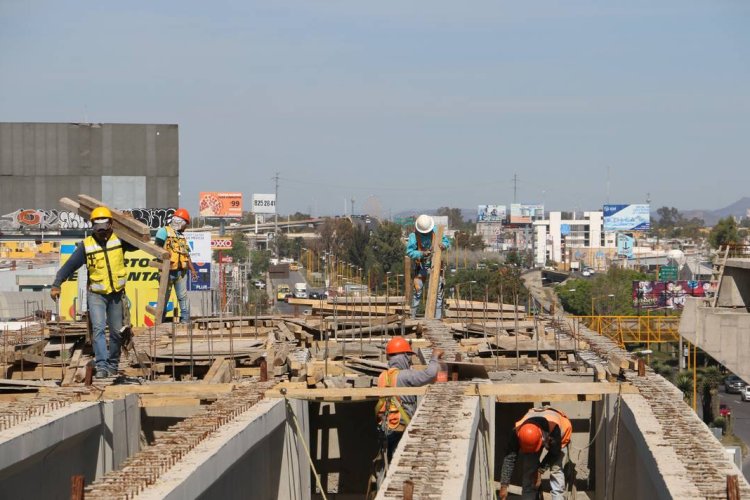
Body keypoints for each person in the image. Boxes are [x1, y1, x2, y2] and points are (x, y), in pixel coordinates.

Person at [50, 206, 137, 378]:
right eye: (99, 230)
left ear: (111, 225)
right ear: (93, 227)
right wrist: (57, 283)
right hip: (96, 294)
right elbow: (70, 265)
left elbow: (139, 242)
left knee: (116, 331)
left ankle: (113, 363)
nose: (102, 233)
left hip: (116, 294)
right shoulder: (87, 246)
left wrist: (130, 223)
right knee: (97, 329)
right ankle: (102, 366)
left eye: (104, 229)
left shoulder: (120, 240)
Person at [375, 336, 445, 461]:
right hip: (399, 428)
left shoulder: (382, 376)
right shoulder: (405, 376)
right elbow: (430, 374)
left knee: (386, 462)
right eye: (409, 357)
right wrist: (434, 357)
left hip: (385, 427)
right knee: (399, 461)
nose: (410, 361)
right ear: (403, 356)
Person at [499, 406, 573, 500]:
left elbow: (554, 453)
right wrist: (504, 485)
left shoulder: (554, 428)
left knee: (556, 469)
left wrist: (540, 471)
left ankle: (558, 497)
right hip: (534, 435)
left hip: (560, 437)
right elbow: (509, 458)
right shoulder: (517, 433)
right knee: (529, 471)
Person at [154, 208, 197, 324]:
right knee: (164, 298)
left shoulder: (181, 237)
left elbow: (186, 255)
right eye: (186, 224)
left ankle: (185, 321)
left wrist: (193, 270)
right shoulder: (164, 232)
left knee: (183, 297)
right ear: (181, 222)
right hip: (166, 272)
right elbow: (156, 249)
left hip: (180, 272)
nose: (186, 227)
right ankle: (159, 322)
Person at [405, 214, 451, 319]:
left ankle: (438, 318)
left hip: (436, 266)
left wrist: (444, 245)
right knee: (418, 291)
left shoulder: (436, 232)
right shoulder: (414, 236)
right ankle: (412, 317)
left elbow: (447, 242)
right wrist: (421, 254)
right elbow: (409, 252)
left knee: (438, 293)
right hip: (421, 267)